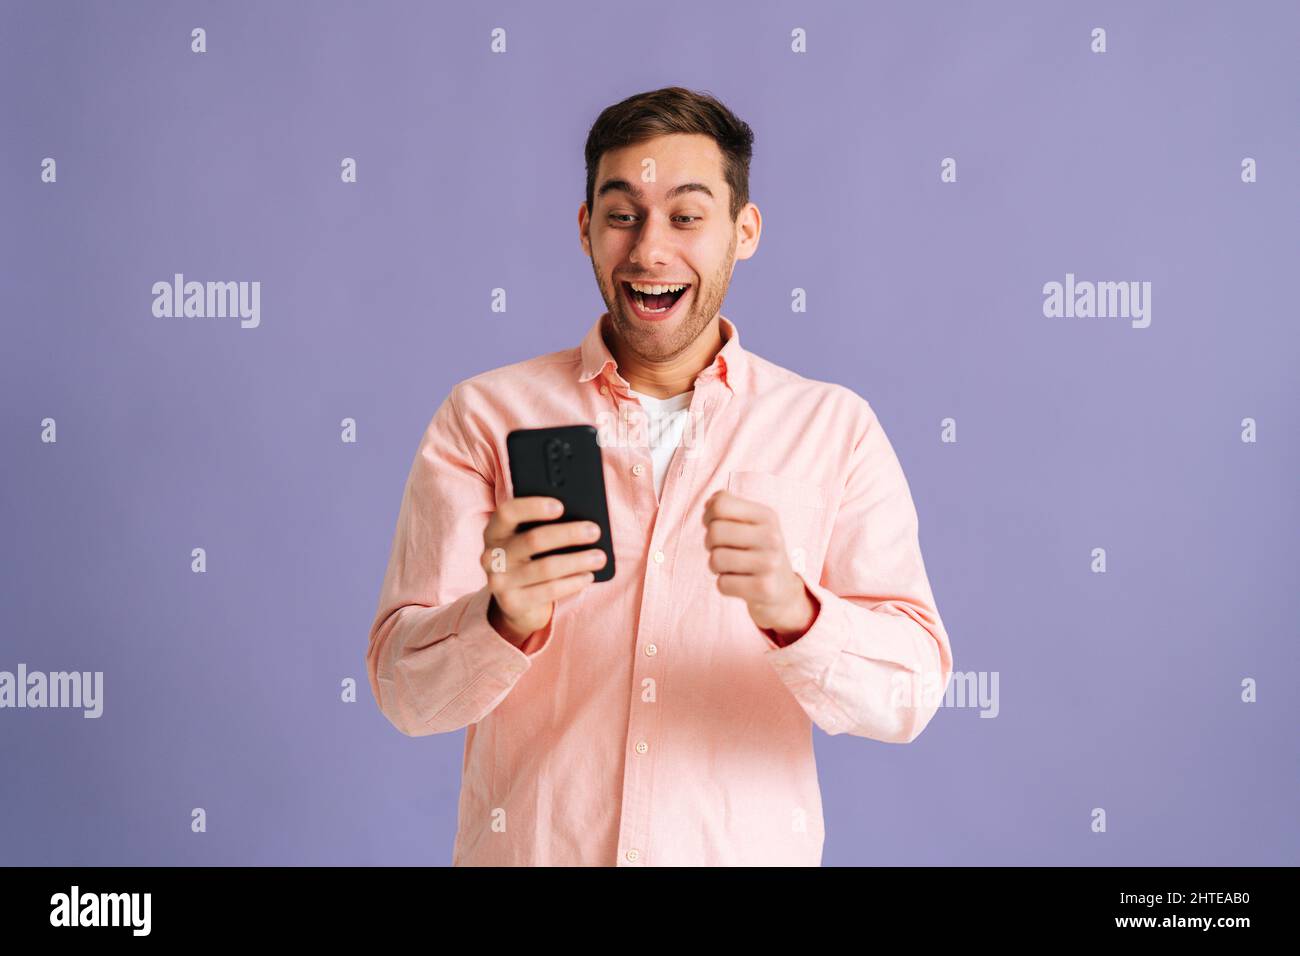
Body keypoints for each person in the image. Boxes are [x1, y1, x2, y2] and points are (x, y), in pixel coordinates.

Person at [365, 86, 953, 866]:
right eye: (622, 214)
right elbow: (407, 694)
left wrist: (796, 611)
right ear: (585, 229)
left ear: (743, 231)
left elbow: (912, 691)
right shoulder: (484, 417)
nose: (648, 250)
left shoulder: (833, 429)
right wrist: (503, 616)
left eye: (685, 215)